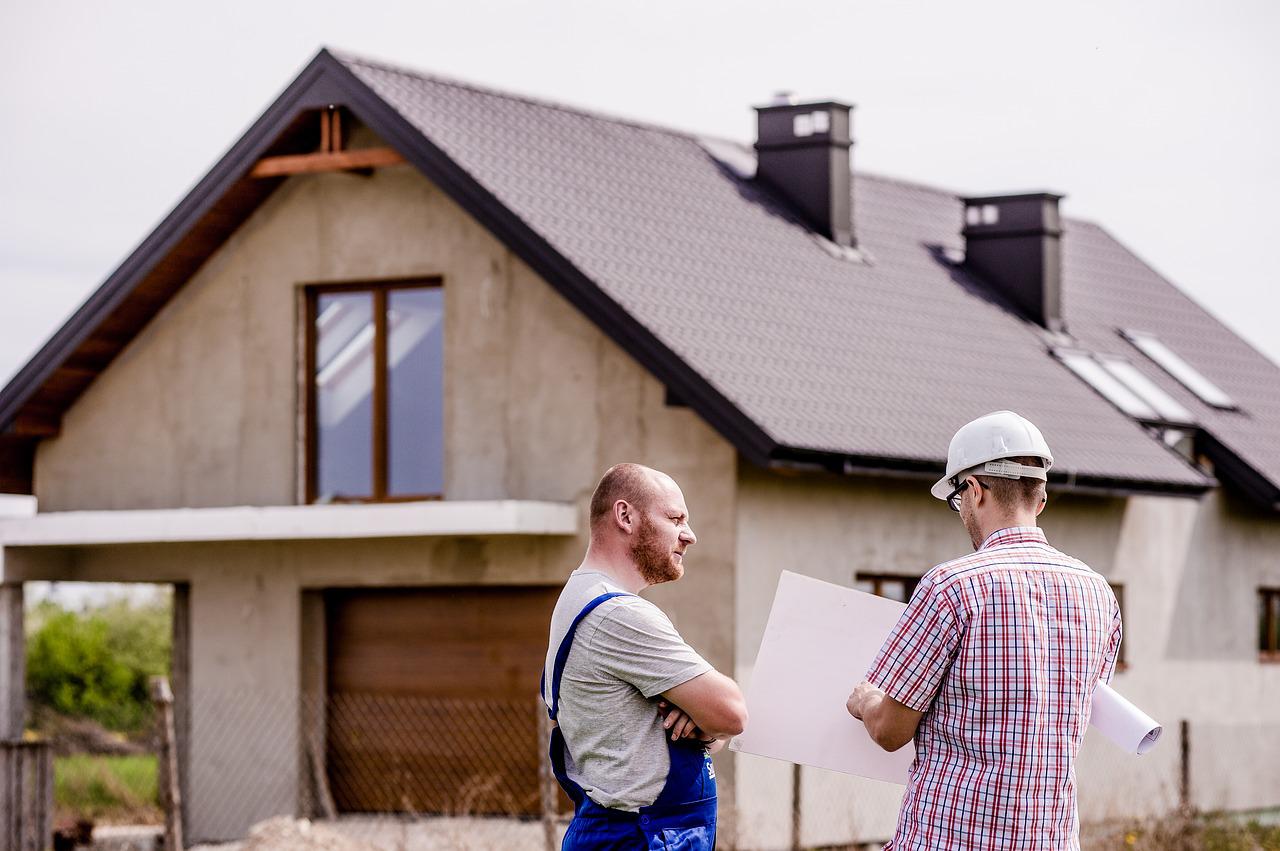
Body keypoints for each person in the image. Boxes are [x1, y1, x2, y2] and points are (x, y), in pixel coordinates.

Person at [846, 411, 1123, 850]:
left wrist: (866, 702)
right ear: (1041, 499)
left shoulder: (953, 586)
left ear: (973, 491)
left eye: (957, 499)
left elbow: (890, 732)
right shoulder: (1099, 594)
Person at [543, 463, 748, 850]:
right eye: (675, 518)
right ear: (625, 516)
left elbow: (715, 726)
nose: (690, 535)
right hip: (637, 837)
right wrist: (711, 718)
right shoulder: (617, 615)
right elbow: (733, 712)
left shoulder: (580, 598)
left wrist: (704, 725)